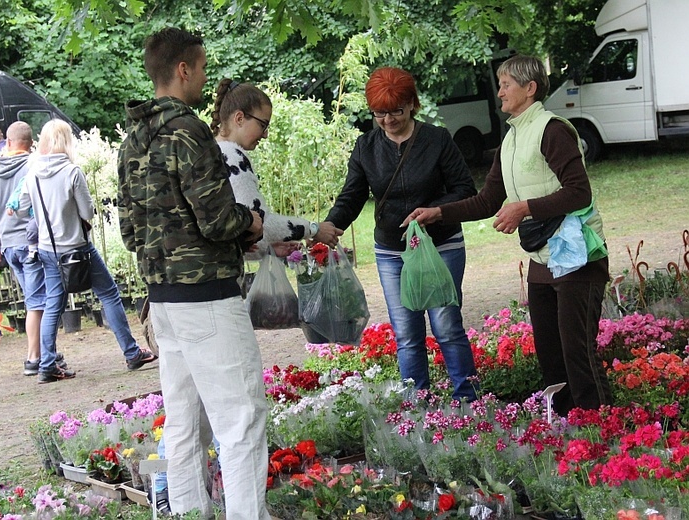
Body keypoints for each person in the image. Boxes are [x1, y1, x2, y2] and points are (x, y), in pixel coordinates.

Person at [404, 55, 613, 417]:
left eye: (506, 84)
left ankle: (604, 426)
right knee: (550, 353)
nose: (499, 90)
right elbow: (487, 201)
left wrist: (524, 208)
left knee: (576, 352)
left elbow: (579, 192)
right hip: (542, 259)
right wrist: (439, 212)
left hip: (578, 256)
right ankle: (566, 426)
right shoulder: (513, 135)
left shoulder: (552, 129)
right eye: (499, 83)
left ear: (530, 88)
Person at [117, 27, 270, 520]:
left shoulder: (133, 136)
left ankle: (185, 512)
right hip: (207, 295)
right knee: (241, 420)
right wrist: (251, 222)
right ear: (183, 69)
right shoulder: (188, 129)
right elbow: (217, 218)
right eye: (202, 67)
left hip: (162, 300)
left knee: (183, 423)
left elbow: (128, 228)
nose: (204, 76)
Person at [323, 67, 479, 401]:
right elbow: (351, 196)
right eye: (379, 112)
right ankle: (417, 405)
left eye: (395, 110)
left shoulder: (437, 139)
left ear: (412, 104)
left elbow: (465, 188)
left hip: (441, 245)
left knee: (447, 326)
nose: (388, 119)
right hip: (392, 252)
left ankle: (469, 401)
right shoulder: (366, 146)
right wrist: (330, 227)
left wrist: (434, 211)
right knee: (407, 333)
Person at [17, 119, 157, 384]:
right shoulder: (72, 172)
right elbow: (87, 212)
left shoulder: (32, 173)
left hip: (48, 250)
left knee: (52, 305)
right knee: (109, 294)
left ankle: (47, 364)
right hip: (78, 249)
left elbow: (25, 206)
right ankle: (131, 352)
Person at [211, 79, 343, 256]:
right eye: (262, 125)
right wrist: (314, 229)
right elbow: (260, 222)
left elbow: (236, 233)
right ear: (239, 118)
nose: (265, 134)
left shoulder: (215, 151)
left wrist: (267, 249)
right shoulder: (232, 156)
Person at [0, 121, 47, 371]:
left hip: (9, 245)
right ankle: (36, 358)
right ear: (31, 143)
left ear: (7, 142)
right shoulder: (34, 165)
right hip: (31, 242)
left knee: (33, 300)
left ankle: (42, 353)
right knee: (37, 302)